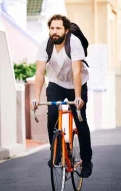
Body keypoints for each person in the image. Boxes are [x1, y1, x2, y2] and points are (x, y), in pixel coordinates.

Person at [31, 14, 93, 178]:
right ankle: (57, 153)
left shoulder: (74, 43)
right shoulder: (45, 44)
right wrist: (36, 97)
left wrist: (78, 97)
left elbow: (76, 71)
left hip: (76, 83)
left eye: (58, 28)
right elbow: (39, 72)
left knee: (80, 120)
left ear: (66, 31)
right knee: (52, 117)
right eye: (52, 28)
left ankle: (86, 160)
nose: (54, 31)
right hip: (56, 82)